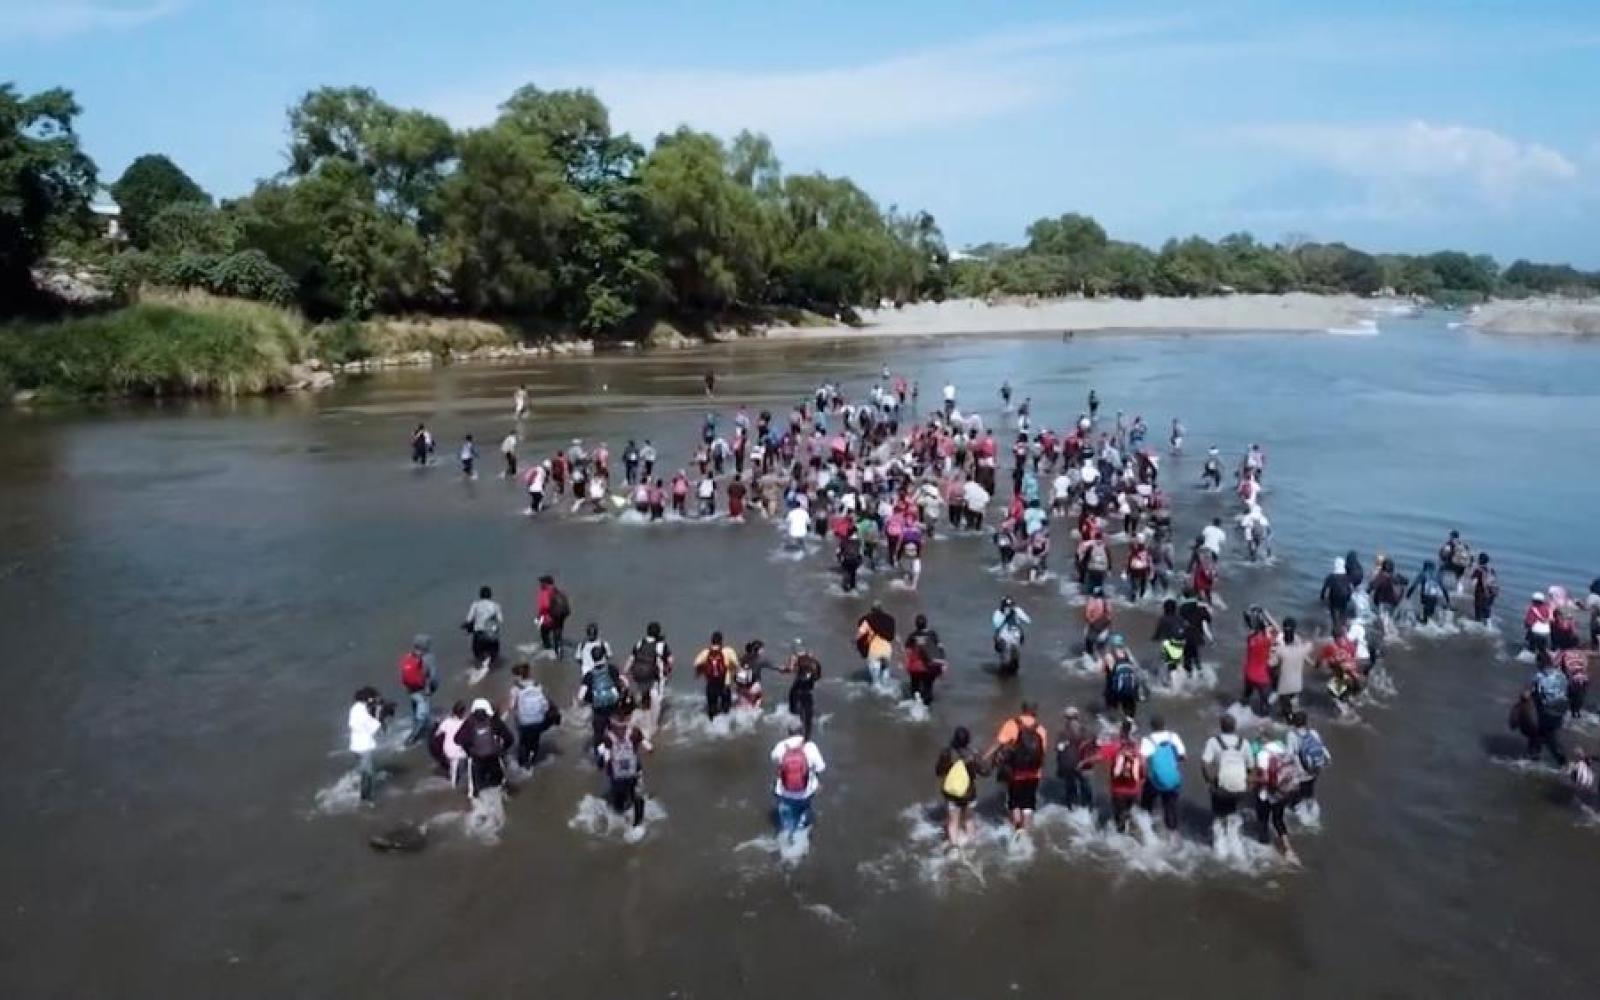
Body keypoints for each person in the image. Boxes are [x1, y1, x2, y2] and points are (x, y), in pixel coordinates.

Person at [987, 703, 1048, 832]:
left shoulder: (1012, 724)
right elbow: (1042, 753)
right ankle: (1027, 832)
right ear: (1035, 712)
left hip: (1015, 772)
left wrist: (985, 757)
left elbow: (999, 744)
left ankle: (1017, 828)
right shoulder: (1041, 729)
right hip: (1034, 773)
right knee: (1028, 804)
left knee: (1014, 801)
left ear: (1023, 710)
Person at [598, 702, 652, 828]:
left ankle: (637, 824)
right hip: (620, 773)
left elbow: (643, 741)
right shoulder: (610, 736)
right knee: (621, 797)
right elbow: (605, 750)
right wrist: (605, 760)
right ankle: (621, 818)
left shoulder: (631, 733)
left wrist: (648, 747)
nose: (620, 728)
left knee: (636, 796)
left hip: (630, 772)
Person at [770, 720, 827, 839]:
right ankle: (799, 845)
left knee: (786, 825)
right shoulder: (810, 746)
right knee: (801, 825)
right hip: (805, 793)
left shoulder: (781, 746)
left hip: (784, 793)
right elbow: (821, 767)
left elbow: (774, 759)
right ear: (802, 731)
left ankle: (785, 843)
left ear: (788, 732)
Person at [1089, 719, 1144, 833]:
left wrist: (1083, 763)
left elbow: (1098, 758)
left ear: (1120, 731)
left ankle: (1122, 838)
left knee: (1118, 817)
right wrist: (1141, 781)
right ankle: (1130, 826)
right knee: (1127, 811)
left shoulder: (1115, 746)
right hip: (1133, 790)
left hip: (1118, 790)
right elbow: (1142, 766)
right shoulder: (1136, 747)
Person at [935, 727, 986, 847]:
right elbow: (985, 772)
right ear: (968, 740)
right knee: (969, 819)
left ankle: (954, 847)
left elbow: (938, 772)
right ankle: (972, 844)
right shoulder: (973, 754)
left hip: (952, 794)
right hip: (969, 794)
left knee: (953, 821)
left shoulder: (947, 753)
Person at [1201, 714, 1252, 836]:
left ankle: (1221, 841)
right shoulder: (1244, 743)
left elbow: (1204, 764)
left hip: (1223, 785)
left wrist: (1209, 782)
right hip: (1240, 786)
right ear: (1235, 727)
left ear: (1221, 726)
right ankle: (1234, 835)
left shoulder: (1213, 742)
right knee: (1232, 808)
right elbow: (1251, 767)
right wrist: (1249, 786)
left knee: (1219, 811)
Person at [454, 698, 515, 798]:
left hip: (477, 759)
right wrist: (502, 749)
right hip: (494, 757)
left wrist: (469, 750)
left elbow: (457, 739)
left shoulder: (469, 723)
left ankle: (475, 799)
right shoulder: (494, 721)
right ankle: (505, 794)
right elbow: (509, 738)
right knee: (500, 783)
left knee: (475, 789)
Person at [1254, 739, 1303, 862]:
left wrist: (1252, 781)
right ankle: (1288, 849)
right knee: (1278, 819)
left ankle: (1264, 847)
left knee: (1263, 820)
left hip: (1267, 794)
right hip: (1284, 791)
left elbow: (1265, 778)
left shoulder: (1262, 755)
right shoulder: (1282, 749)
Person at [506, 662, 556, 768]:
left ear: (517, 675)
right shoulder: (538, 685)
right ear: (529, 673)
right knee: (535, 739)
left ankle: (523, 765)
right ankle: (533, 757)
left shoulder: (515, 689)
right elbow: (546, 706)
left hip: (524, 724)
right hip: (538, 721)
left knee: (523, 741)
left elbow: (511, 707)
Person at [627, 623, 673, 734]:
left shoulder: (639, 643)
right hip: (655, 677)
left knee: (644, 697)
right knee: (656, 700)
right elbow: (670, 661)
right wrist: (667, 671)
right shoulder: (662, 645)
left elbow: (631, 659)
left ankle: (641, 720)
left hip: (639, 675)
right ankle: (653, 726)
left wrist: (625, 672)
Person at [1285, 710, 1330, 816]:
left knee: (1296, 791)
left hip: (1301, 772)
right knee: (1309, 790)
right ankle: (1311, 808)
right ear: (1306, 722)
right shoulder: (1314, 733)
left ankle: (1297, 810)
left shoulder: (1292, 735)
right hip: (1315, 769)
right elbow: (1322, 748)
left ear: (1294, 723)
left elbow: (1290, 755)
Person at [1529, 653, 1570, 765]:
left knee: (1548, 736)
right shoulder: (1561, 674)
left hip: (1548, 710)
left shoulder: (1538, 676)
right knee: (1542, 732)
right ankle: (1534, 754)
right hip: (1562, 708)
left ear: (1540, 663)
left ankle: (1561, 759)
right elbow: (1566, 690)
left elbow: (1530, 692)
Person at [398, 634, 439, 746]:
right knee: (422, 715)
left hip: (411, 690)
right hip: (422, 691)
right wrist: (432, 689)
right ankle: (411, 739)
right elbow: (433, 676)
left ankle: (425, 730)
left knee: (416, 712)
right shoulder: (428, 657)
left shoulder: (408, 656)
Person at [580, 652, 625, 752]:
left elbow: (580, 696)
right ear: (604, 656)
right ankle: (618, 753)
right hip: (614, 707)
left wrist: (590, 700)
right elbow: (624, 683)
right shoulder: (612, 669)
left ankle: (601, 758)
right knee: (617, 732)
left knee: (598, 736)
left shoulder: (589, 675)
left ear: (592, 658)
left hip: (598, 710)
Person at [1055, 707, 1097, 809]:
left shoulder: (1063, 733)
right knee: (1086, 787)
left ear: (1066, 718)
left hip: (1069, 765)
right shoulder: (1086, 730)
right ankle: (1088, 807)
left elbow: (1059, 749)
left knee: (1070, 787)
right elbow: (1095, 747)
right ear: (1077, 717)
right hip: (1084, 764)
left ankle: (1072, 807)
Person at [1240, 607, 1279, 716]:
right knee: (1264, 703)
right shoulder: (1267, 641)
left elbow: (1256, 630)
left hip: (1248, 673)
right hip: (1261, 677)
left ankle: (1242, 707)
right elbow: (1277, 629)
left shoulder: (1250, 639)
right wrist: (1266, 614)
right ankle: (1263, 719)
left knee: (1246, 696)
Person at [1271, 617, 1312, 719]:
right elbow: (1306, 648)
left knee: (1284, 703)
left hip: (1283, 680)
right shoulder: (1298, 641)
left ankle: (1288, 717)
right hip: (1297, 681)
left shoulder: (1279, 642)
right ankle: (1295, 716)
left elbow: (1272, 663)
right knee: (1293, 700)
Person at [348, 687, 384, 803]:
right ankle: (365, 799)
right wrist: (379, 716)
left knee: (364, 770)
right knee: (368, 774)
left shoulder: (355, 709)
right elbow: (372, 729)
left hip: (355, 746)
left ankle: (359, 790)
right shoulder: (363, 712)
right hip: (364, 747)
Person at [783, 640, 823, 738]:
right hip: (808, 692)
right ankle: (807, 737)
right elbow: (818, 677)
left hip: (796, 690)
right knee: (808, 714)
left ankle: (794, 734)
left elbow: (790, 670)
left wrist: (788, 666)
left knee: (793, 713)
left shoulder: (796, 659)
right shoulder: (815, 662)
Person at [461, 586, 503, 675]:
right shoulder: (496, 606)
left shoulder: (475, 605)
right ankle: (492, 674)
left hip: (479, 634)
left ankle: (480, 673)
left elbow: (469, 619)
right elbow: (500, 620)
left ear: (480, 595)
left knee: (478, 655)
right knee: (494, 656)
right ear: (490, 595)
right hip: (492, 634)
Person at [904, 614, 944, 706]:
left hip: (915, 668)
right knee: (928, 688)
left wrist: (906, 664)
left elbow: (908, 652)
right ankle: (926, 706)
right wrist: (943, 664)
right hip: (929, 667)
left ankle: (916, 702)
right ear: (926, 624)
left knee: (915, 686)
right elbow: (940, 648)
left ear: (916, 624)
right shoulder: (932, 634)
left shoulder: (912, 636)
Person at [694, 631, 735, 720]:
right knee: (726, 710)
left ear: (711, 641)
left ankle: (712, 727)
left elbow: (696, 664)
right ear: (721, 641)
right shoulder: (728, 651)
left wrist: (700, 672)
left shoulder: (705, 652)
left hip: (711, 684)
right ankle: (725, 729)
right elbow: (736, 665)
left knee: (712, 710)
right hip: (724, 685)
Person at [430, 700, 469, 790]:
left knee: (453, 764)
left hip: (447, 751)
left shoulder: (446, 722)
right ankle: (464, 779)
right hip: (460, 752)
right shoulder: (465, 723)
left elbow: (437, 734)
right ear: (463, 712)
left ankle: (453, 783)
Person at [856, 603, 896, 687]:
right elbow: (891, 636)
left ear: (872, 610)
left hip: (874, 651)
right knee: (885, 673)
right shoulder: (890, 620)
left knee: (876, 684)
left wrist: (858, 645)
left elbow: (860, 635)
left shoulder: (867, 620)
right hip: (887, 650)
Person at [992, 597, 1032, 677]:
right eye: (1006, 606)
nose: (1008, 608)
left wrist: (1017, 611)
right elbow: (996, 625)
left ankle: (1013, 675)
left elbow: (1028, 620)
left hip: (1015, 635)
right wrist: (1005, 616)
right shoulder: (998, 613)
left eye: (1010, 606)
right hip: (1003, 636)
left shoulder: (1017, 611)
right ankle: (1003, 676)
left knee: (1015, 658)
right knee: (1005, 658)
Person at [535, 575, 570, 658]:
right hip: (560, 616)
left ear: (545, 583)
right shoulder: (558, 591)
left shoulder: (544, 592)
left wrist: (539, 617)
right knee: (558, 633)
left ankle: (548, 649)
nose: (540, 584)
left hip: (548, 616)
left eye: (541, 582)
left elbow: (544, 606)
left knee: (544, 632)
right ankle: (559, 653)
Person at [1320, 557, 1354, 630]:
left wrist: (1322, 598)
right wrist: (1348, 598)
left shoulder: (1331, 576)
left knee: (1335, 615)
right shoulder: (1347, 576)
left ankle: (1336, 630)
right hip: (1344, 598)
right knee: (1342, 613)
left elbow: (1325, 588)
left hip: (1334, 598)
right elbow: (1350, 588)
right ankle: (1342, 628)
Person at [1468, 553, 1499, 624]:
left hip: (1480, 594)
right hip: (1491, 593)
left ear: (1480, 560)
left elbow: (1472, 580)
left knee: (1478, 611)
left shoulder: (1478, 570)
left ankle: (1478, 626)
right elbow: (1494, 579)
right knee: (1487, 609)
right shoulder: (1491, 570)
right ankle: (1489, 625)